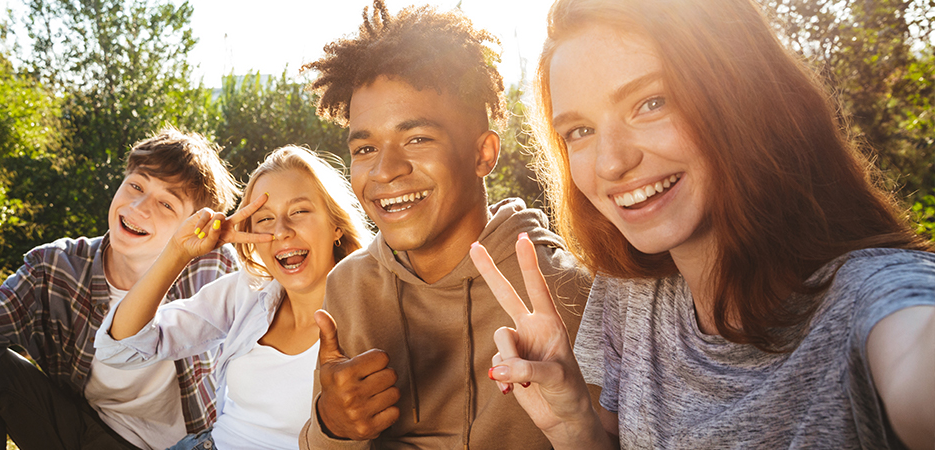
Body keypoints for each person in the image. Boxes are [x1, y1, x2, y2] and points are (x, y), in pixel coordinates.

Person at [472, 0, 935, 448]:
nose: (612, 163)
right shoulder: (630, 295)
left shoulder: (875, 297)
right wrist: (572, 426)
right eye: (580, 131)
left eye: (651, 103)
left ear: (742, 93)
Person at [298, 1, 592, 448]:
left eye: (417, 139)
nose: (384, 170)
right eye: (364, 149)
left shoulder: (565, 290)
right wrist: (331, 426)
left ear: (484, 154)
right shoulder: (349, 285)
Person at [0, 128, 242, 450]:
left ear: (195, 224)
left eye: (167, 204)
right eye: (136, 186)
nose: (138, 208)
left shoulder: (213, 266)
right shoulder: (55, 268)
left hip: (193, 445)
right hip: (83, 435)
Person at [94, 146, 371, 450]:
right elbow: (120, 349)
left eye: (299, 212)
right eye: (264, 219)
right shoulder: (248, 291)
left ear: (336, 226)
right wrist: (178, 252)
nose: (281, 231)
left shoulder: (372, 311)